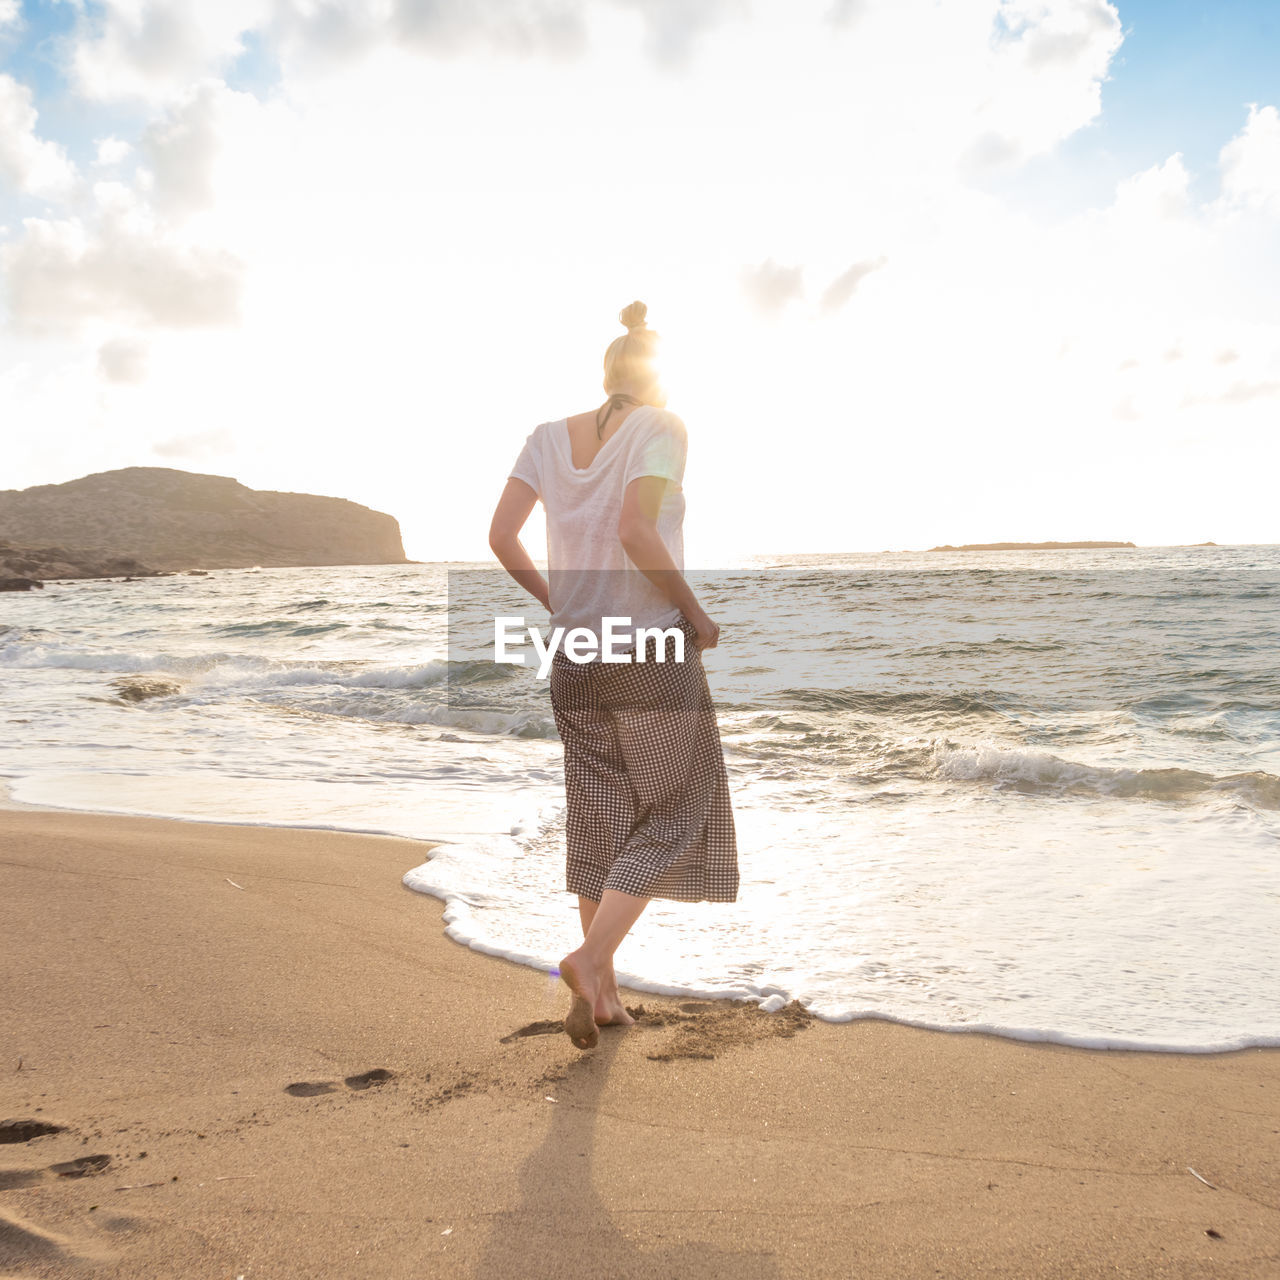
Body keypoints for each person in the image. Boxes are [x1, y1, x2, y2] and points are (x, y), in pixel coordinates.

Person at [488, 300, 738, 1050]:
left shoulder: (544, 437)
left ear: (606, 375)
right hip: (649, 651)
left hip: (573, 655)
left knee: (600, 823)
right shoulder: (662, 427)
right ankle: (589, 959)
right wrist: (694, 611)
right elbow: (634, 530)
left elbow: (500, 536)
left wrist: (558, 599)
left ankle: (603, 997)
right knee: (676, 810)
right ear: (655, 380)